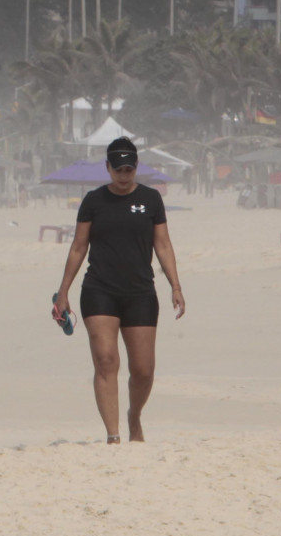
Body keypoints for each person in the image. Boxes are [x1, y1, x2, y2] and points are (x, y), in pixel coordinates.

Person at [51, 136, 186, 444]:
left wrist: (175, 286)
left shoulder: (151, 199)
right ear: (108, 168)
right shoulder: (94, 201)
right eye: (118, 170)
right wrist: (63, 292)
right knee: (106, 360)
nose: (124, 176)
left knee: (143, 370)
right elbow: (78, 247)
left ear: (136, 167)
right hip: (99, 290)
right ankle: (113, 436)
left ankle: (133, 416)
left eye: (129, 169)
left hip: (140, 292)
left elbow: (163, 245)